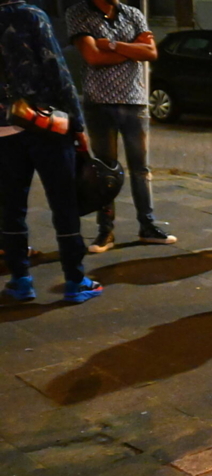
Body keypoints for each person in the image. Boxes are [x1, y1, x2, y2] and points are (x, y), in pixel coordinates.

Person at [0, 0, 103, 303]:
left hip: (3, 130)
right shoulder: (31, 16)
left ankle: (20, 279)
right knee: (63, 202)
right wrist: (78, 124)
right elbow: (56, 69)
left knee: (12, 208)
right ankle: (74, 279)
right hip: (45, 125)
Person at [66, 0, 177, 253]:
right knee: (105, 170)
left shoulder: (132, 13)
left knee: (141, 168)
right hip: (100, 103)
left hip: (135, 101)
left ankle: (147, 226)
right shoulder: (79, 13)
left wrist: (112, 45)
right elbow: (92, 56)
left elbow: (151, 53)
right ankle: (106, 231)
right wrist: (132, 48)